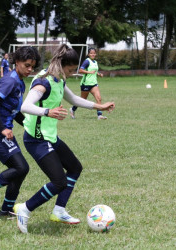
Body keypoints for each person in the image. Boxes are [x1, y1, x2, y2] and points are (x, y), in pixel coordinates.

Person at [13, 44, 115, 233]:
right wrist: (47, 112)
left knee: (75, 168)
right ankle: (25, 209)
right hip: (36, 140)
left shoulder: (59, 79)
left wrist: (99, 107)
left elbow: (74, 100)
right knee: (59, 181)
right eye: (69, 69)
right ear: (61, 64)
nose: (71, 73)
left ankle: (59, 211)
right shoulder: (44, 81)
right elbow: (25, 106)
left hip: (49, 137)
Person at [0, 46, 41, 216]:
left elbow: (14, 112)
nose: (30, 69)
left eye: (32, 66)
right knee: (21, 167)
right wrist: (3, 128)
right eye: (27, 65)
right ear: (16, 62)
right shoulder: (10, 81)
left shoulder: (19, 82)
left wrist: (29, 124)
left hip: (3, 133)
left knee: (20, 169)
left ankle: (6, 210)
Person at [70, 48, 106, 120]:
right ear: (88, 54)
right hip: (86, 84)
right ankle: (72, 109)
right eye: (91, 53)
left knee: (99, 98)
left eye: (94, 53)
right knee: (82, 100)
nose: (93, 54)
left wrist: (98, 74)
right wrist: (89, 72)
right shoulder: (87, 61)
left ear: (95, 54)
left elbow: (94, 71)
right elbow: (80, 70)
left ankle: (99, 115)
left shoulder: (95, 62)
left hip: (94, 84)